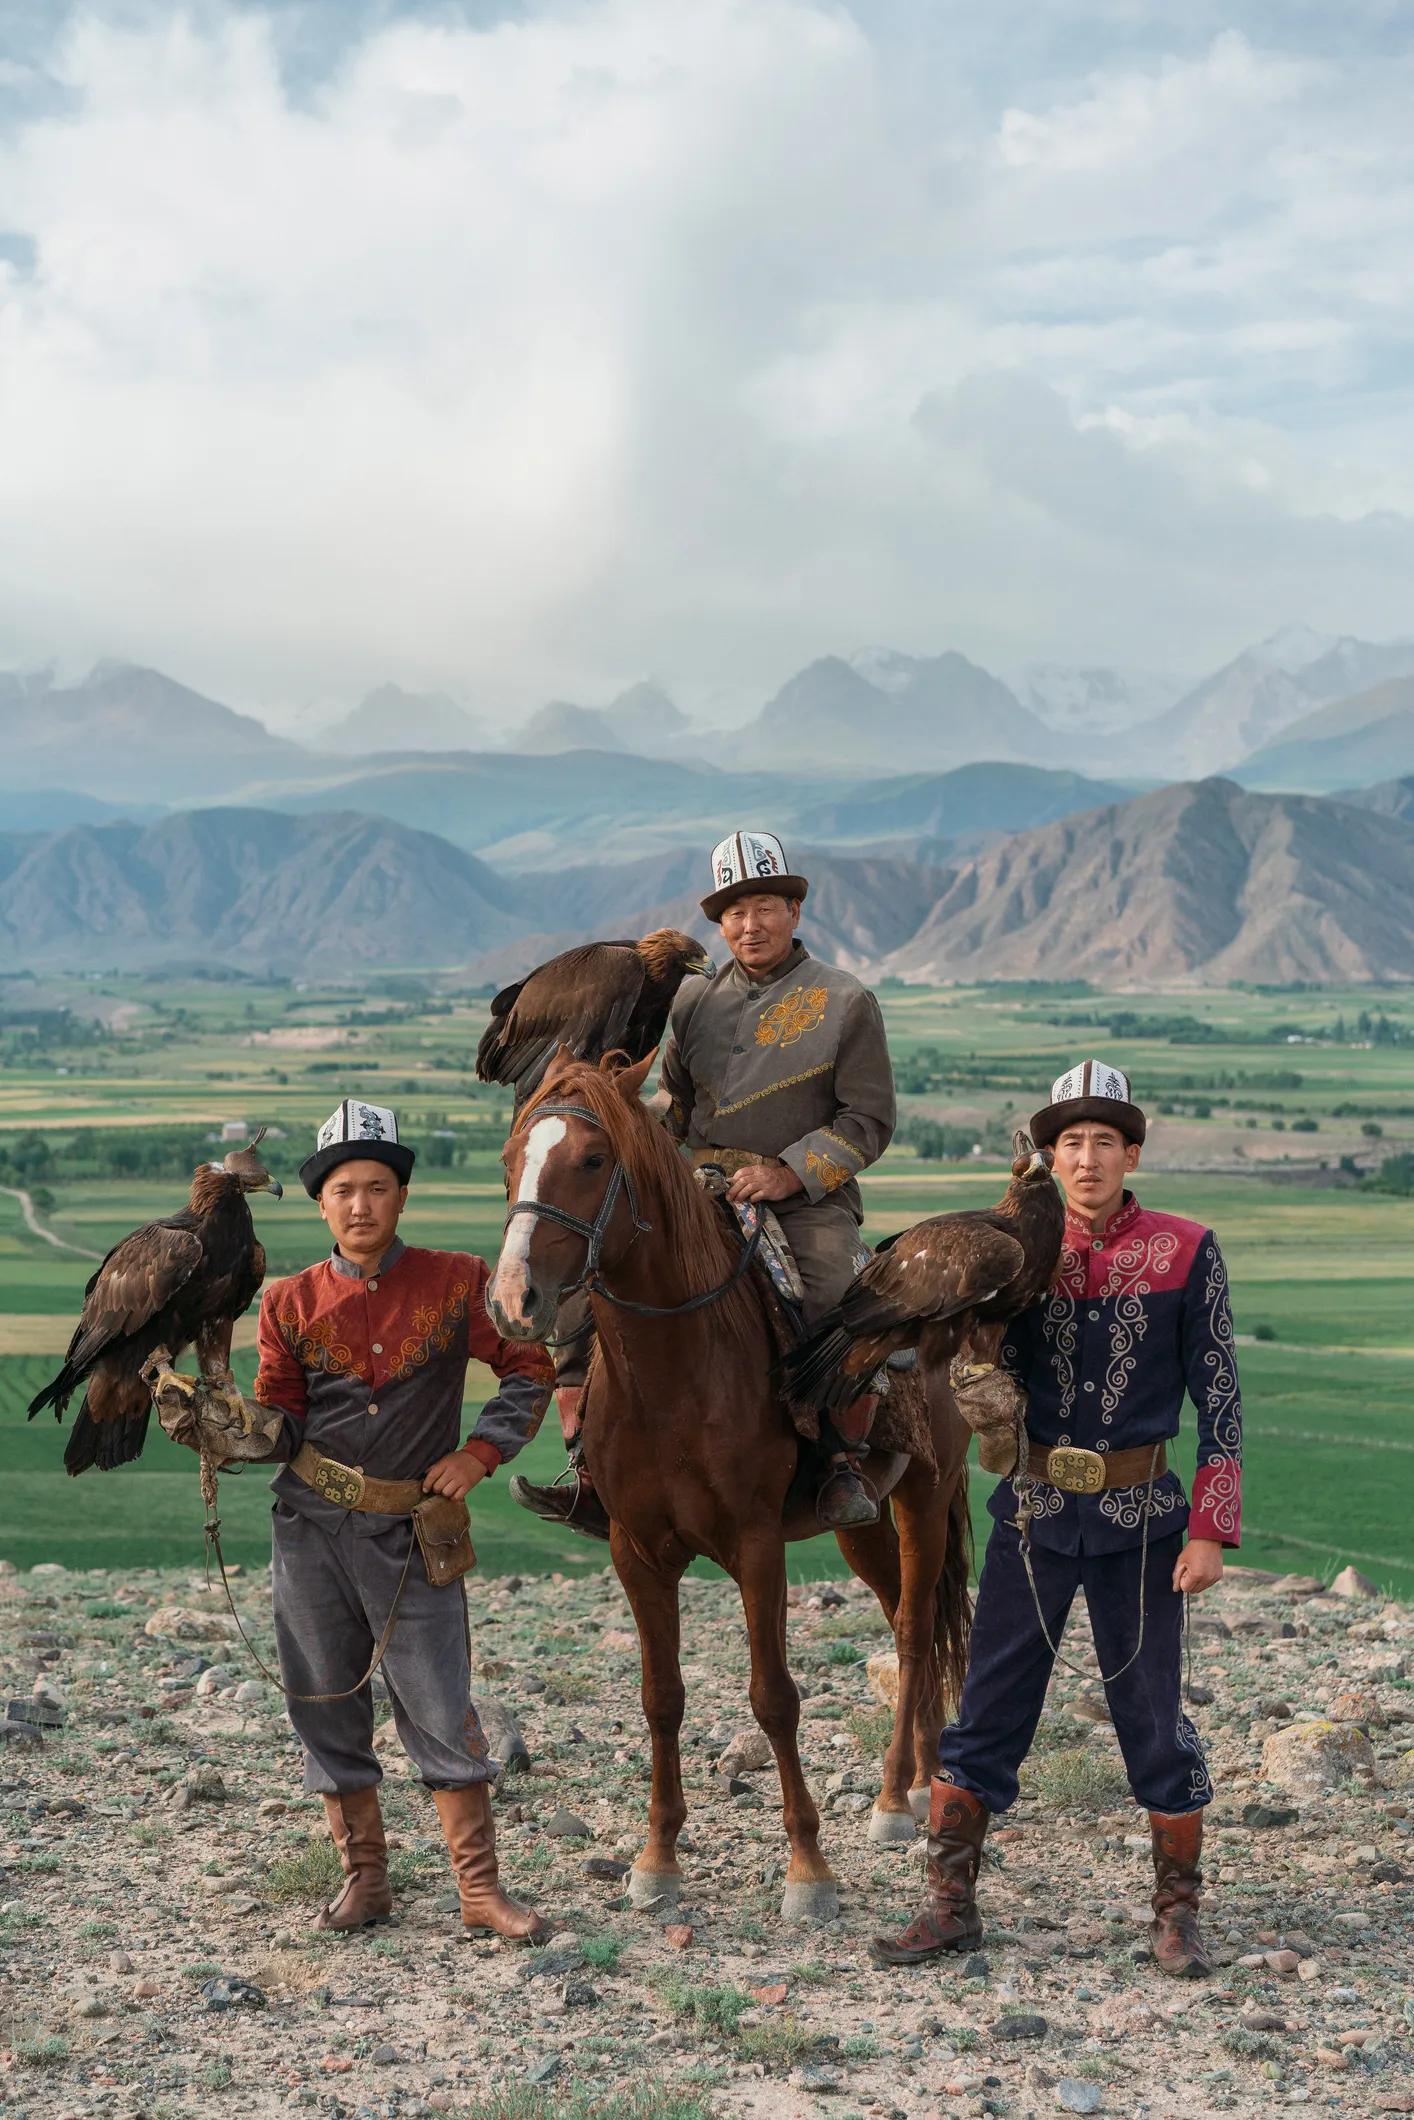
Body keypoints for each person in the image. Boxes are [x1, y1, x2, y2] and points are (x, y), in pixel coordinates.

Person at [875, 1060, 1242, 1979]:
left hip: (1144, 1524)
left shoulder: (1188, 1250)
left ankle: (1177, 1917)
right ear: (1050, 1156)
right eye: (1070, 1142)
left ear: (1131, 1153)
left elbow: (1221, 1399)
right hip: (1033, 1515)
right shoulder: (1013, 1254)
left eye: (1104, 1141)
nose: (1086, 1159)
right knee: (987, 1709)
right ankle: (950, 1907)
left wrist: (1210, 1527)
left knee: (1153, 1716)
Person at [158, 1099, 555, 1942]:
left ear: (401, 1195)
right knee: (323, 1702)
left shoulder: (457, 1281)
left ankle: (480, 1892)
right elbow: (283, 1420)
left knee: (440, 1704)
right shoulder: (287, 1302)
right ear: (321, 1203)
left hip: (413, 1531)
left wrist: (479, 1455)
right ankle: (365, 1882)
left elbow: (529, 1366)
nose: (361, 1205)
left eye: (377, 1187)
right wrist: (226, 1429)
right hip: (308, 1531)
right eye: (344, 1190)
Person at [511, 828, 897, 1534]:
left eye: (765, 908)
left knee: (833, 1291)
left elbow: (868, 1119)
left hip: (804, 1201)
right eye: (735, 913)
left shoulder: (846, 1000)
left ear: (794, 911)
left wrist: (788, 1174)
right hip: (696, 1189)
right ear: (719, 924)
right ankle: (589, 1466)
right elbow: (678, 1109)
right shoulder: (692, 1001)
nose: (750, 925)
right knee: (584, 1287)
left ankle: (839, 1460)